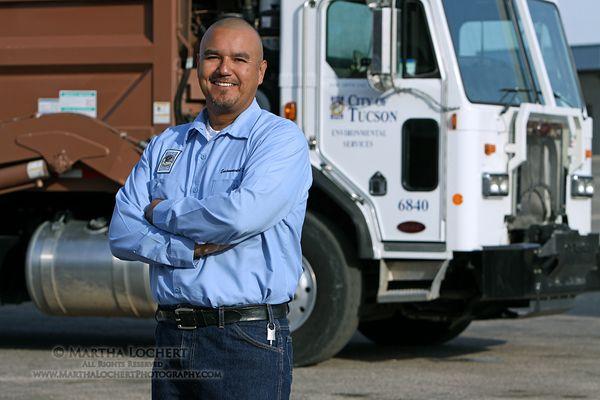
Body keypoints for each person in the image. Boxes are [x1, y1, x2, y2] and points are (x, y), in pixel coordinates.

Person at [108, 17, 312, 400]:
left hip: (246, 341)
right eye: (213, 57)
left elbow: (239, 216)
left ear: (260, 70)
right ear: (198, 65)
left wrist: (159, 212)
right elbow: (121, 232)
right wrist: (185, 249)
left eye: (239, 59)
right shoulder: (167, 143)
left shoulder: (280, 140)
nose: (224, 70)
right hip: (173, 337)